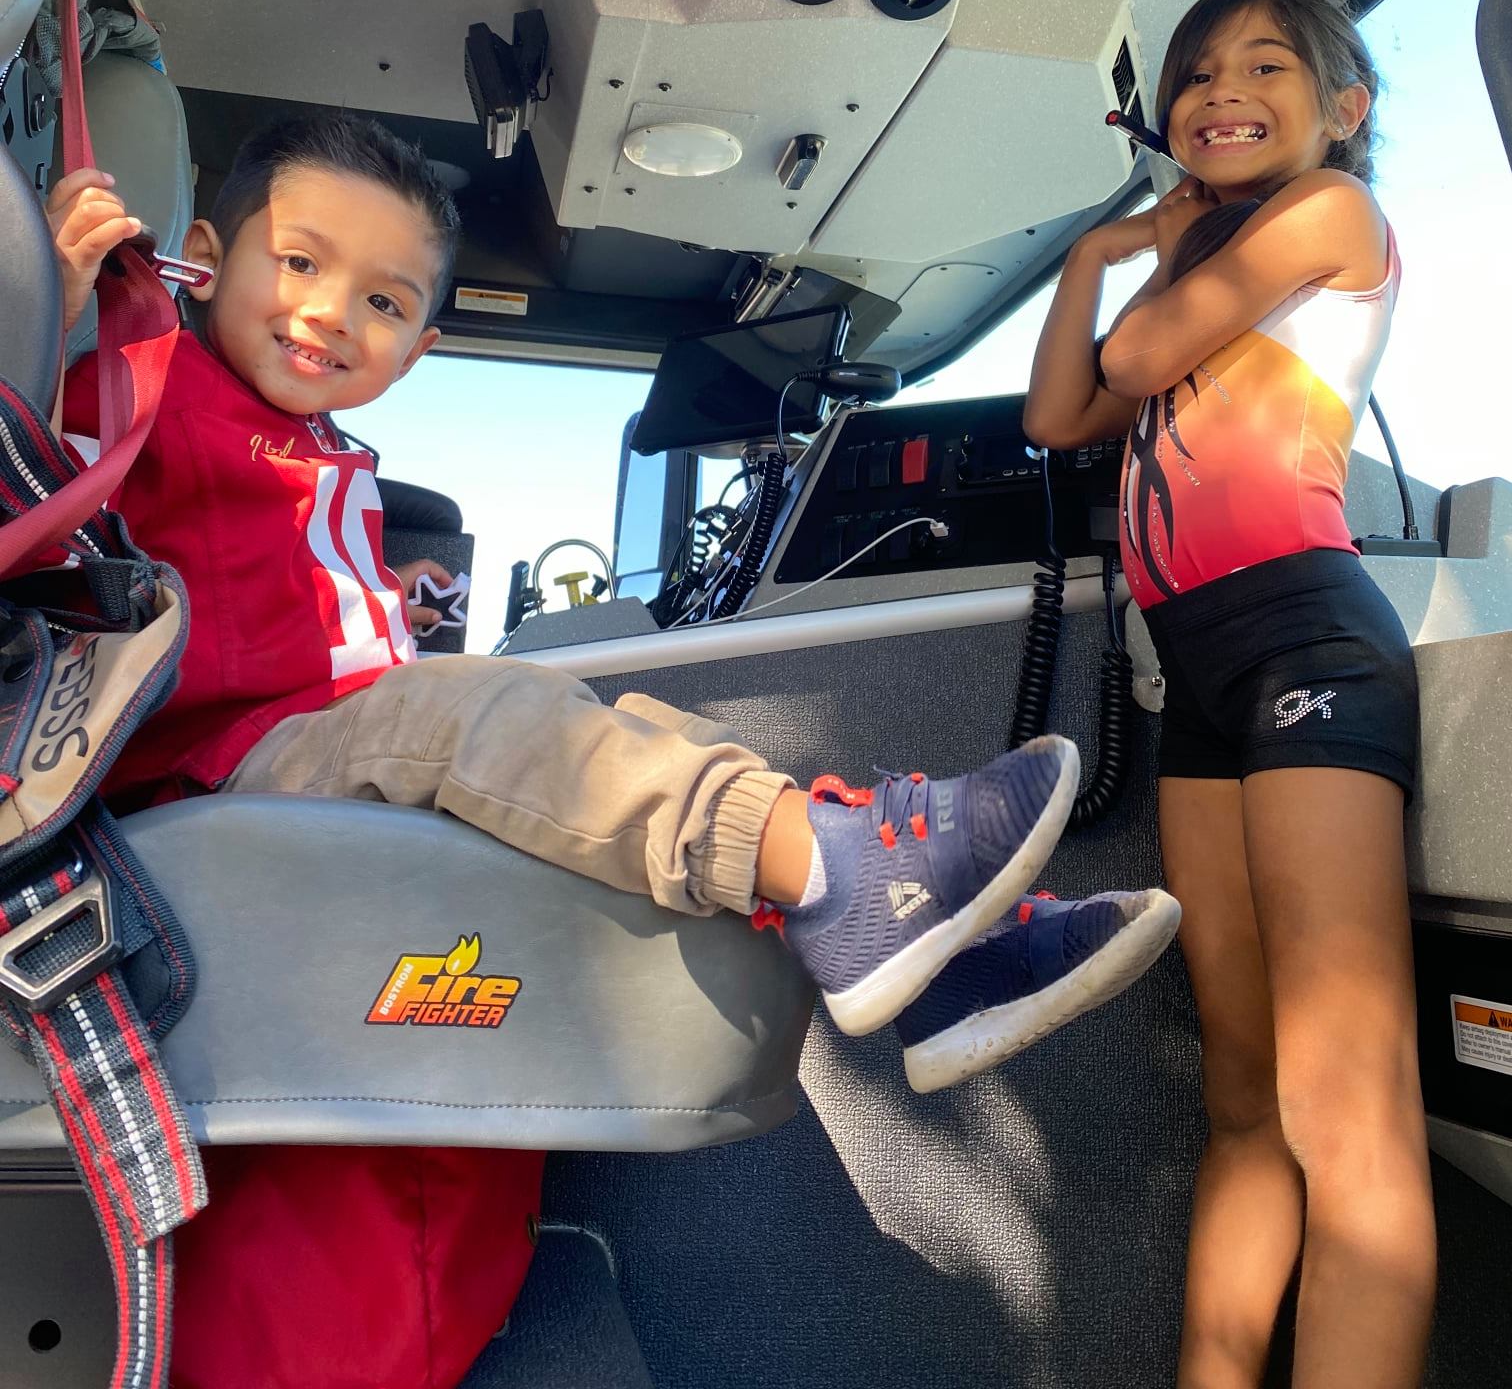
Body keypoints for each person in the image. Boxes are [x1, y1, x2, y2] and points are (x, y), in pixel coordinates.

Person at [46, 110, 1170, 1048]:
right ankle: (841, 874)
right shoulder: (151, 386)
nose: (333, 313)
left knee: (617, 727)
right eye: (299, 262)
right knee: (486, 709)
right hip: (216, 771)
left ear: (421, 347)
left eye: (385, 302)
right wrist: (50, 301)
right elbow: (37, 470)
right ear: (203, 255)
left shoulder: (322, 447)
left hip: (323, 748)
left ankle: (942, 964)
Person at [1025, 0, 1432, 1389]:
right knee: (1246, 1097)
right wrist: (1102, 246)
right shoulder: (1194, 261)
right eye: (1195, 74)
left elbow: (1135, 361)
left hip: (1306, 645)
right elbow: (1061, 414)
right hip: (1196, 675)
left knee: (1344, 1105)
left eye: (1265, 67)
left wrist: (1170, 245)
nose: (1217, 91)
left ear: (1344, 110)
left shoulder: (1329, 219)